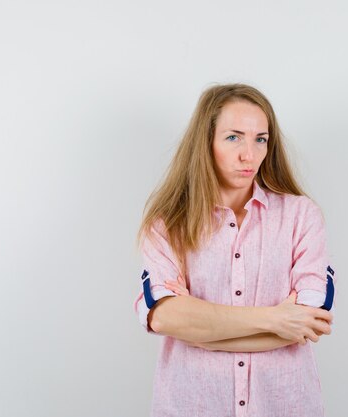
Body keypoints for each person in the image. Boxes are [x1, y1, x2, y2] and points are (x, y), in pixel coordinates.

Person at [133, 83, 336, 417]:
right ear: (206, 142)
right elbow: (165, 317)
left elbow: (308, 322)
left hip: (284, 406)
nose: (249, 154)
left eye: (260, 139)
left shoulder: (302, 216)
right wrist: (275, 319)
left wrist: (201, 333)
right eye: (233, 137)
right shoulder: (168, 224)